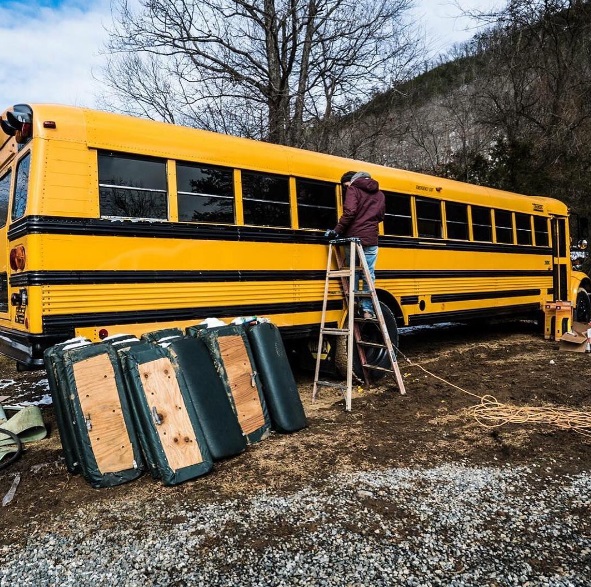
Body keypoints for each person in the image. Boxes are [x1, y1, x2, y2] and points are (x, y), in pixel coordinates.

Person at [325, 170, 386, 319]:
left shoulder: (353, 189)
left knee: (353, 272)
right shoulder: (380, 194)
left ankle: (353, 304)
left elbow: (349, 212)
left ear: (354, 180)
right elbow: (380, 216)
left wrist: (336, 230)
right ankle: (367, 310)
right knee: (368, 274)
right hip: (371, 239)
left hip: (354, 238)